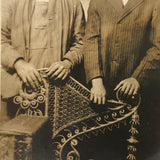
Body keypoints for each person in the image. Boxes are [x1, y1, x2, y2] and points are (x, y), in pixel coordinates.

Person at [84, 0, 160, 159]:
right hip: (102, 96)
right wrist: (96, 81)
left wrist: (136, 78)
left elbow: (158, 47)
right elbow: (91, 40)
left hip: (137, 100)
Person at [1, 0, 85, 121]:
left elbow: (82, 43)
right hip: (16, 94)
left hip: (57, 95)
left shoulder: (73, 3)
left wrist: (67, 62)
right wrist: (18, 63)